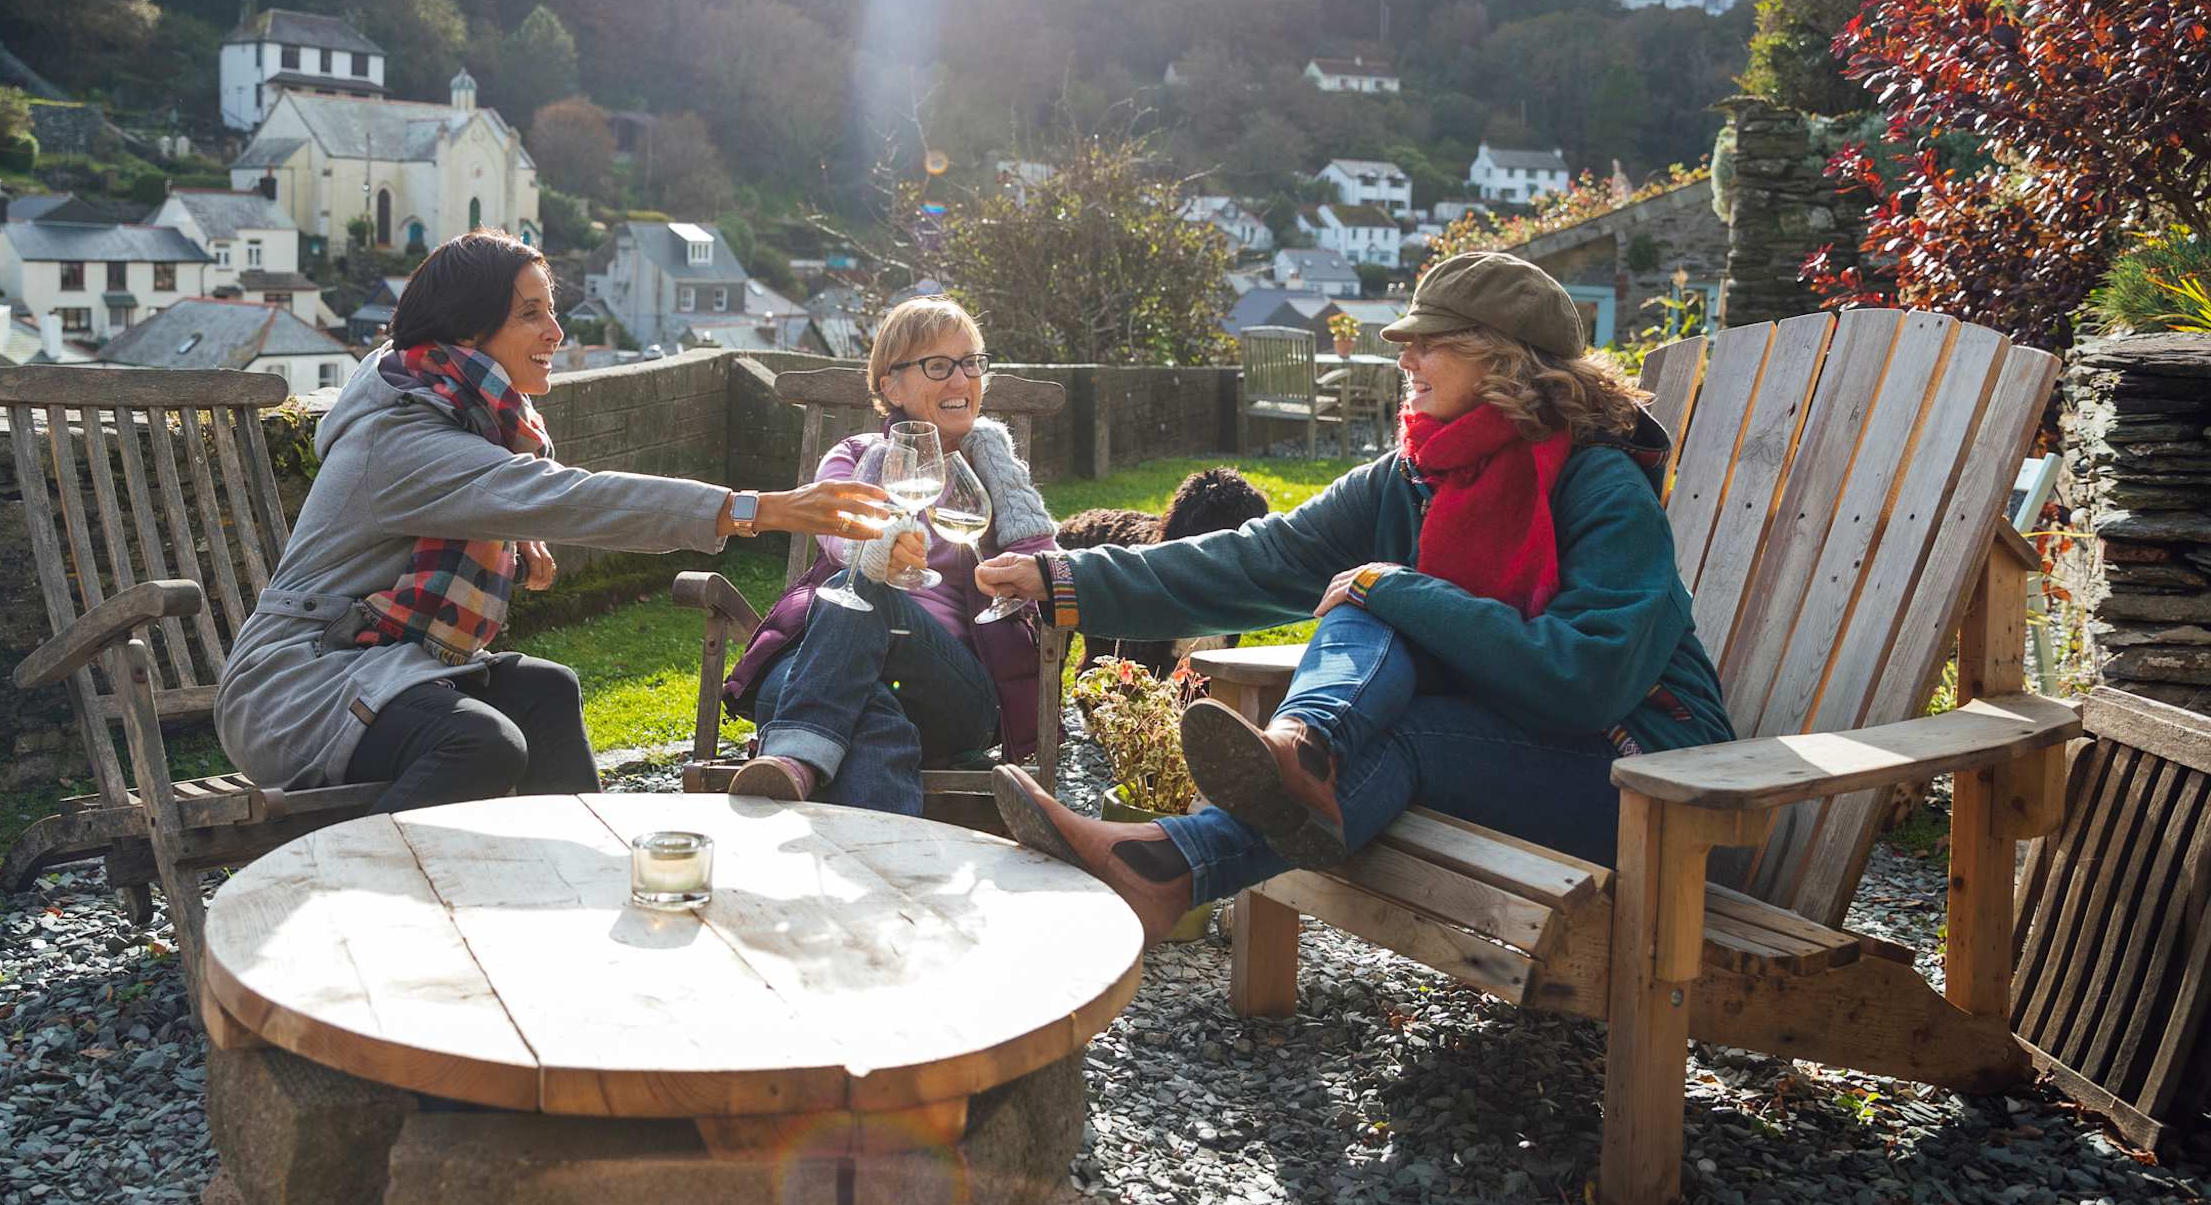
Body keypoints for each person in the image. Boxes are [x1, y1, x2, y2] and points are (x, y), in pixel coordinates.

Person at [972, 251, 1733, 940]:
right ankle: (1290, 759)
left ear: (1502, 357)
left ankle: (1198, 838)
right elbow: (1256, 560)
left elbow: (1586, 677)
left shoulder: (1600, 486)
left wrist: (1400, 589)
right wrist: (1063, 578)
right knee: (1371, 631)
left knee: (1379, 611)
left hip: (1645, 785)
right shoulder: (1412, 474)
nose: (1402, 353)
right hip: (1505, 740)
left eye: (1428, 340)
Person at [215, 230, 892, 816]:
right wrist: (758, 507)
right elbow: (575, 497)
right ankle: (339, 899)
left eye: (553, 309)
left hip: (379, 665)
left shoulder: (456, 413)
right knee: (481, 743)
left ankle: (573, 895)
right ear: (468, 328)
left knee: (547, 690)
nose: (556, 332)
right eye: (531, 313)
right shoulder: (397, 439)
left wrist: (505, 527)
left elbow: (503, 492)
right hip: (295, 687)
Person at [724, 297, 1060, 815]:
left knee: (859, 587)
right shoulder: (855, 459)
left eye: (971, 362)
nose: (960, 380)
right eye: (938, 366)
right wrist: (877, 550)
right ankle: (891, 877)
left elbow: (1049, 568)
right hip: (825, 668)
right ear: (891, 385)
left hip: (952, 686)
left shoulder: (994, 468)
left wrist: (1024, 574)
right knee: (874, 714)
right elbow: (838, 531)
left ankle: (795, 752)